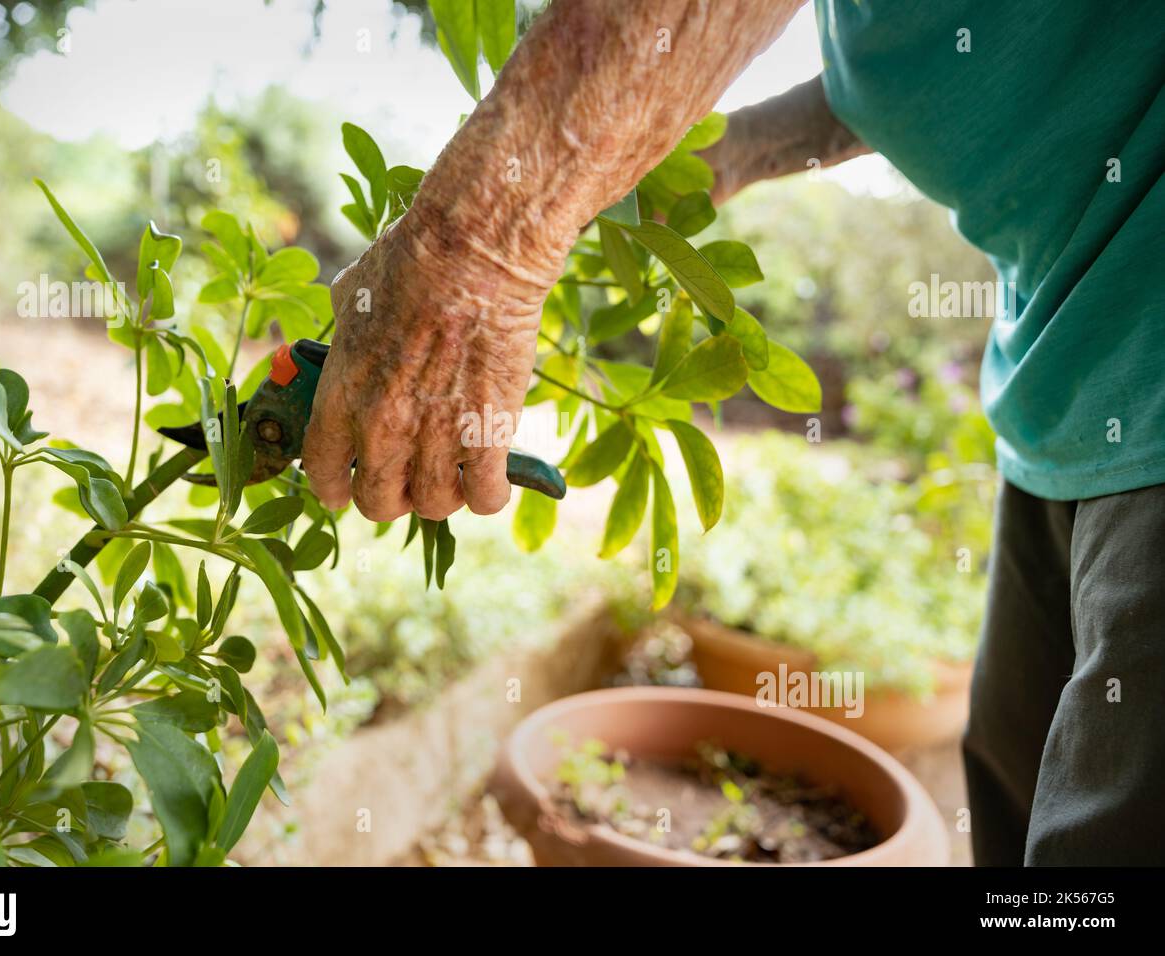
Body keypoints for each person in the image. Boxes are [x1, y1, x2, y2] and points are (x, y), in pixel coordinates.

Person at [302, 1, 1165, 866]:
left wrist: (479, 243)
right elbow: (964, 59)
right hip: (1067, 377)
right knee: (1025, 832)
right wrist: (741, 147)